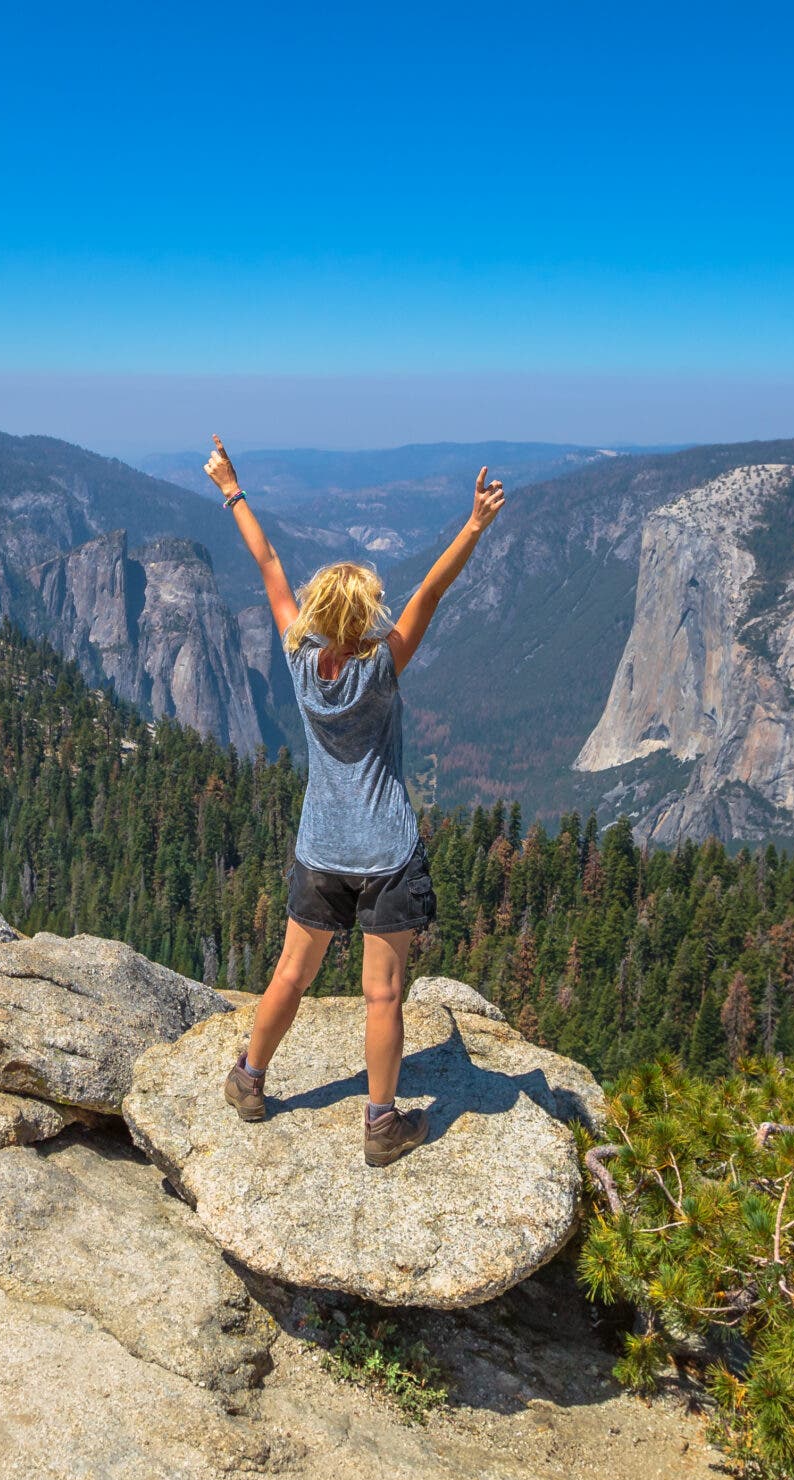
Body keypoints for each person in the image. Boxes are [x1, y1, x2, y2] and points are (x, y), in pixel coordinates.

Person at [204, 435, 507, 1167]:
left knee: (289, 974)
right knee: (382, 995)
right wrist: (473, 526)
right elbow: (431, 590)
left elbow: (268, 563)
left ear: (315, 613)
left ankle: (250, 1080)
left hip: (321, 851)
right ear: (365, 615)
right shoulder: (382, 669)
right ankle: (380, 1125)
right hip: (386, 855)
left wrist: (230, 487)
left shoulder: (300, 661)